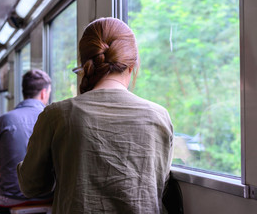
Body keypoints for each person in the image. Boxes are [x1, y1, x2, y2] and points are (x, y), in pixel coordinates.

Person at [17, 17, 174, 213]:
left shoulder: (57, 115)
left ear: (84, 65)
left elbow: (31, 186)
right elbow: (161, 182)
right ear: (132, 66)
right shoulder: (159, 116)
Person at [0, 69, 53, 213]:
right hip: (46, 195)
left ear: (24, 92)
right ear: (44, 93)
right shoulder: (53, 119)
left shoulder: (3, 120)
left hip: (10, 198)